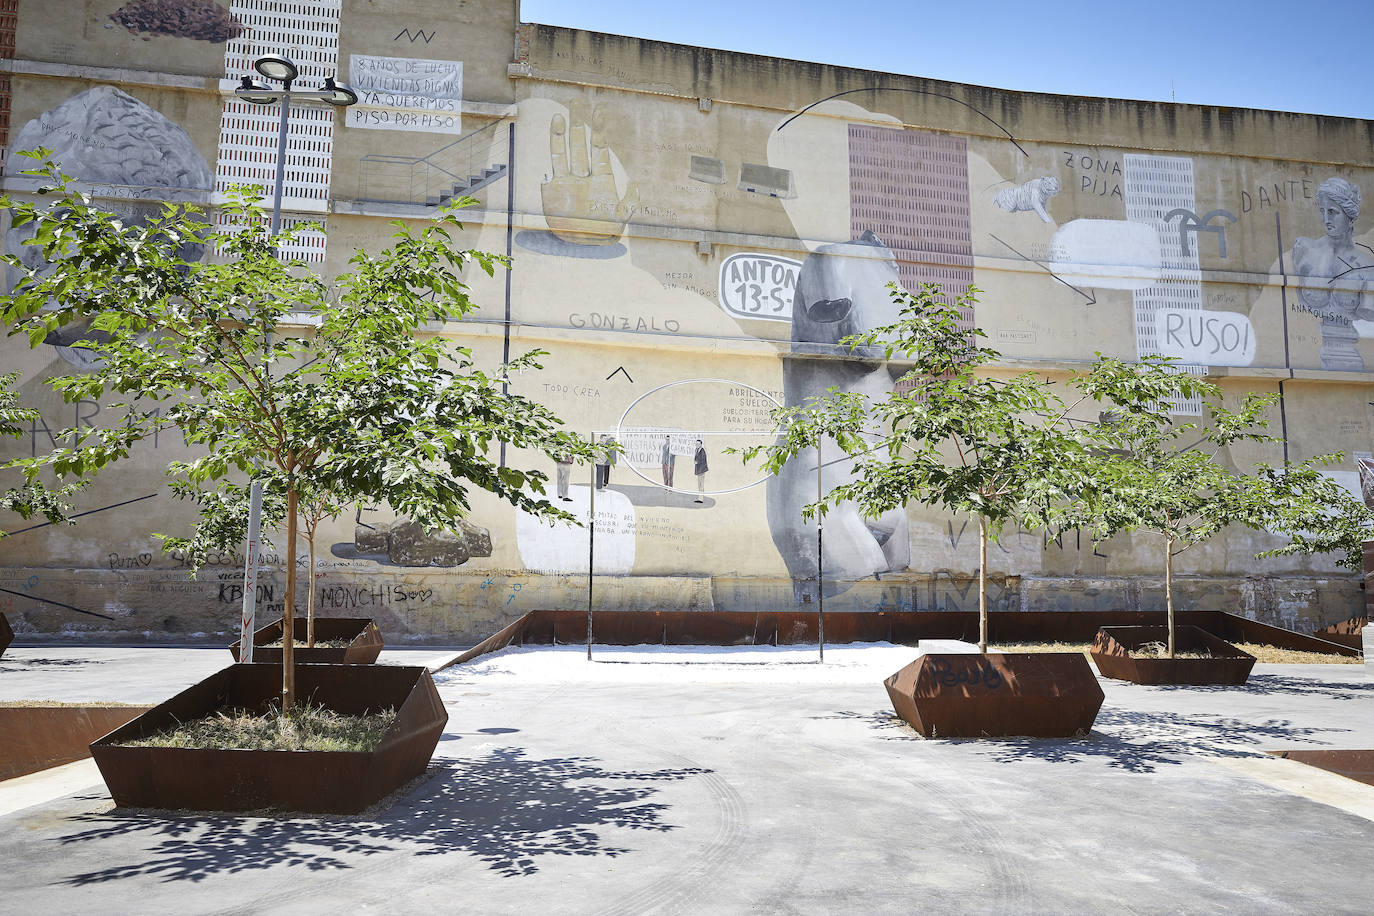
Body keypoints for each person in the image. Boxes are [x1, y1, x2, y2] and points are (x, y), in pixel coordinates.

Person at [1292, 176, 1374, 370]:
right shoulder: (1305, 250)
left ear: (1349, 215)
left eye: (1333, 212)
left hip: (1351, 357)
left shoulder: (1366, 267)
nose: (1326, 219)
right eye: (1322, 211)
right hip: (1308, 357)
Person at [693, 439, 708, 503]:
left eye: (698, 444)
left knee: (701, 484)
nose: (697, 445)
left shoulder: (702, 451)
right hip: (698, 470)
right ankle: (699, 498)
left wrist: (697, 462)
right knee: (699, 484)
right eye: (696, 444)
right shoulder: (696, 450)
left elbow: (703, 460)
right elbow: (696, 458)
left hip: (702, 470)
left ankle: (701, 499)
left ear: (701, 444)